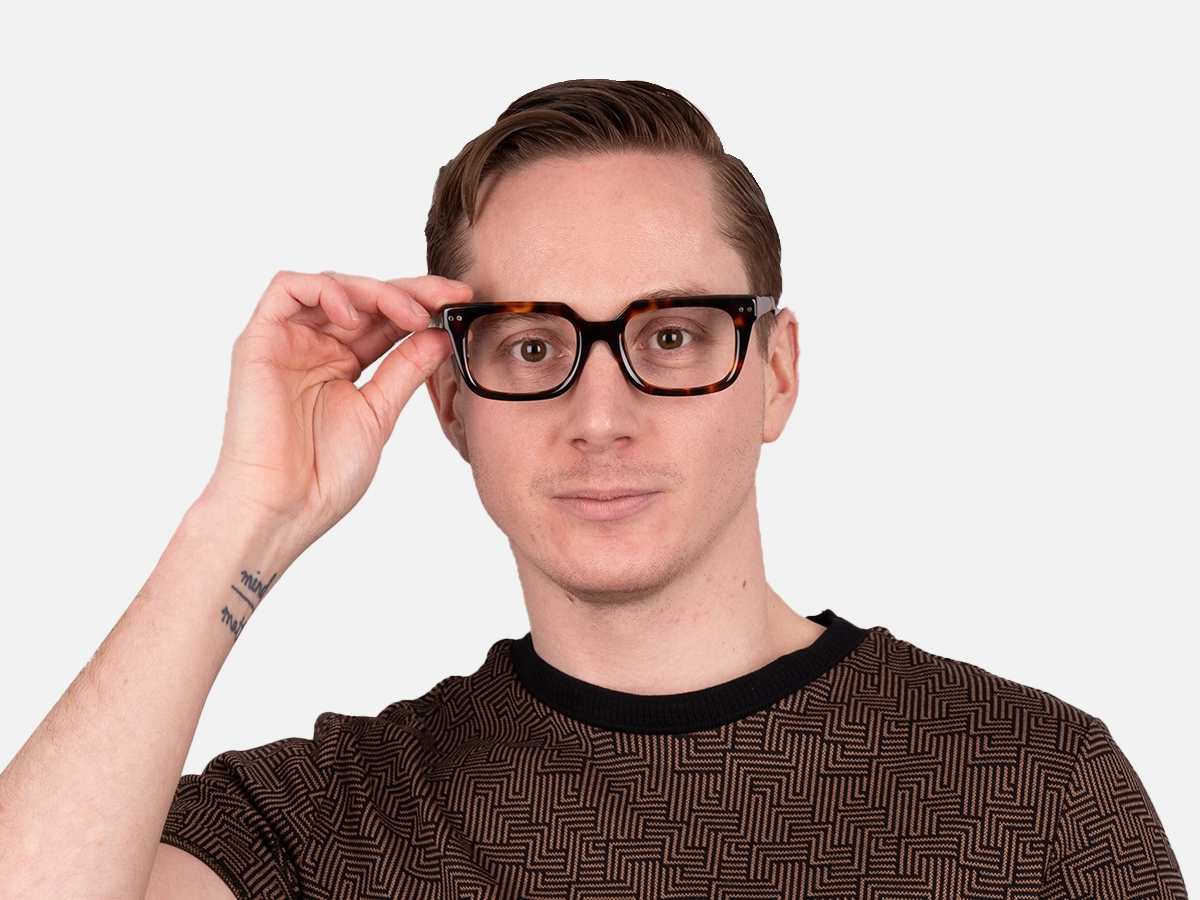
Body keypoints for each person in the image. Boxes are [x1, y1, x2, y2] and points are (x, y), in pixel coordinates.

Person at [0, 80, 1185, 900]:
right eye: (532, 347)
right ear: (451, 404)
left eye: (671, 337)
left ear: (774, 376)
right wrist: (247, 514)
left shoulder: (1038, 791)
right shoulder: (336, 822)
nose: (601, 417)